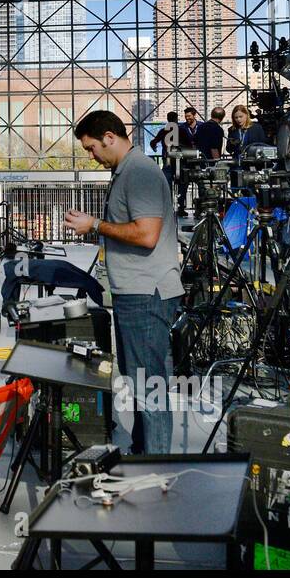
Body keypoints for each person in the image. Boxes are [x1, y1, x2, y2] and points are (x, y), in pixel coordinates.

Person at [64, 110, 183, 455]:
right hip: (137, 292)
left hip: (147, 293)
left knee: (149, 388)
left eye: (91, 148)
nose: (91, 156)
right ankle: (144, 451)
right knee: (141, 383)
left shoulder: (140, 173)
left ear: (109, 138)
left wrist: (96, 225)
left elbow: (147, 235)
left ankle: (156, 467)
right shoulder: (126, 172)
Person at [150, 111, 182, 193]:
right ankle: (181, 200)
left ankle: (168, 200)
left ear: (167, 119)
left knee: (167, 181)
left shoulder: (163, 131)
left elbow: (153, 142)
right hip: (180, 159)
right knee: (182, 180)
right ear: (176, 119)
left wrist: (155, 148)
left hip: (167, 158)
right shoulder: (181, 131)